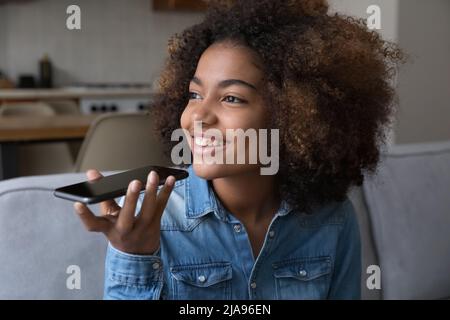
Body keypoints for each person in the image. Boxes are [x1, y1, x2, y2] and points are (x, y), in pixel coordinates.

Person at [73, 0, 402, 300]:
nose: (197, 117)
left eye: (231, 98)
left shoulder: (332, 220)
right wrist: (134, 255)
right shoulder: (149, 220)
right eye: (194, 95)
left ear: (294, 116)